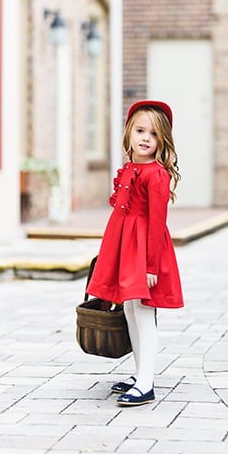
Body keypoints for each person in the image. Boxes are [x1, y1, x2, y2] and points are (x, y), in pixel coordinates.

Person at [86, 99, 184, 407]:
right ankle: (141, 372)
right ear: (129, 132)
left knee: (143, 311)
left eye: (153, 134)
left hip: (143, 251)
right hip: (123, 246)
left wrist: (151, 266)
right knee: (129, 309)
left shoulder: (156, 175)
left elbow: (157, 223)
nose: (145, 138)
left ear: (162, 140)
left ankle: (146, 383)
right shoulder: (130, 168)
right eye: (140, 130)